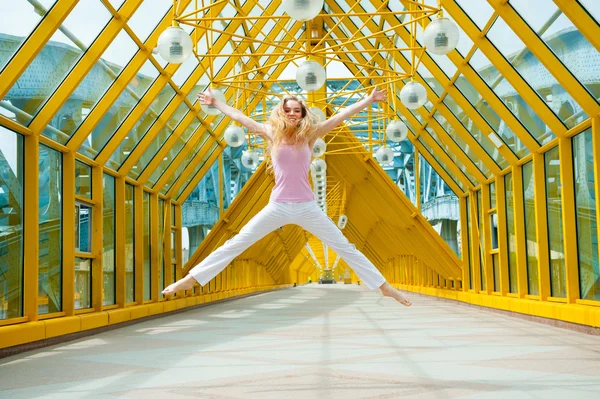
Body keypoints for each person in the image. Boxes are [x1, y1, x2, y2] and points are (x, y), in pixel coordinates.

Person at [162, 87, 412, 307]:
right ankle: (191, 279)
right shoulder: (272, 134)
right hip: (278, 206)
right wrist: (216, 103)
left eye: (297, 110)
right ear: (281, 113)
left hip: (307, 207)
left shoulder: (310, 135)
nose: (293, 114)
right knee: (237, 243)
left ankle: (384, 287)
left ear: (303, 114)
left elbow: (339, 117)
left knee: (345, 247)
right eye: (288, 110)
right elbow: (241, 117)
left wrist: (368, 101)